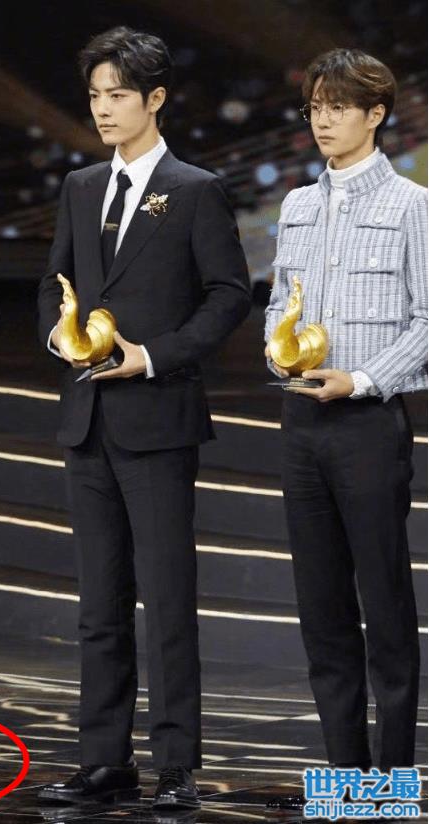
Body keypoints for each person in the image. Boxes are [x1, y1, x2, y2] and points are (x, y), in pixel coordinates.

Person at [36, 26, 250, 810]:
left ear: (155, 99)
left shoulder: (194, 189)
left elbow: (229, 294)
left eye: (118, 95)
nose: (103, 108)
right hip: (87, 418)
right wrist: (59, 337)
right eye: (95, 95)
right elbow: (54, 282)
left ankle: (176, 765)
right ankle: (104, 759)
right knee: (98, 605)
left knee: (166, 601)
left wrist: (154, 355)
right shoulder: (80, 185)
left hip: (157, 417)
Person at [264, 48, 426, 810]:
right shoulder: (297, 205)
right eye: (315, 108)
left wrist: (360, 379)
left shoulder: (411, 206)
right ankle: (345, 781)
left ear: (376, 114)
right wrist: (275, 349)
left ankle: (391, 785)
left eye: (338, 107)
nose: (323, 121)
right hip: (300, 423)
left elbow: (427, 321)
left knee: (384, 608)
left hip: (366, 423)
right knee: (322, 609)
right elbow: (278, 304)